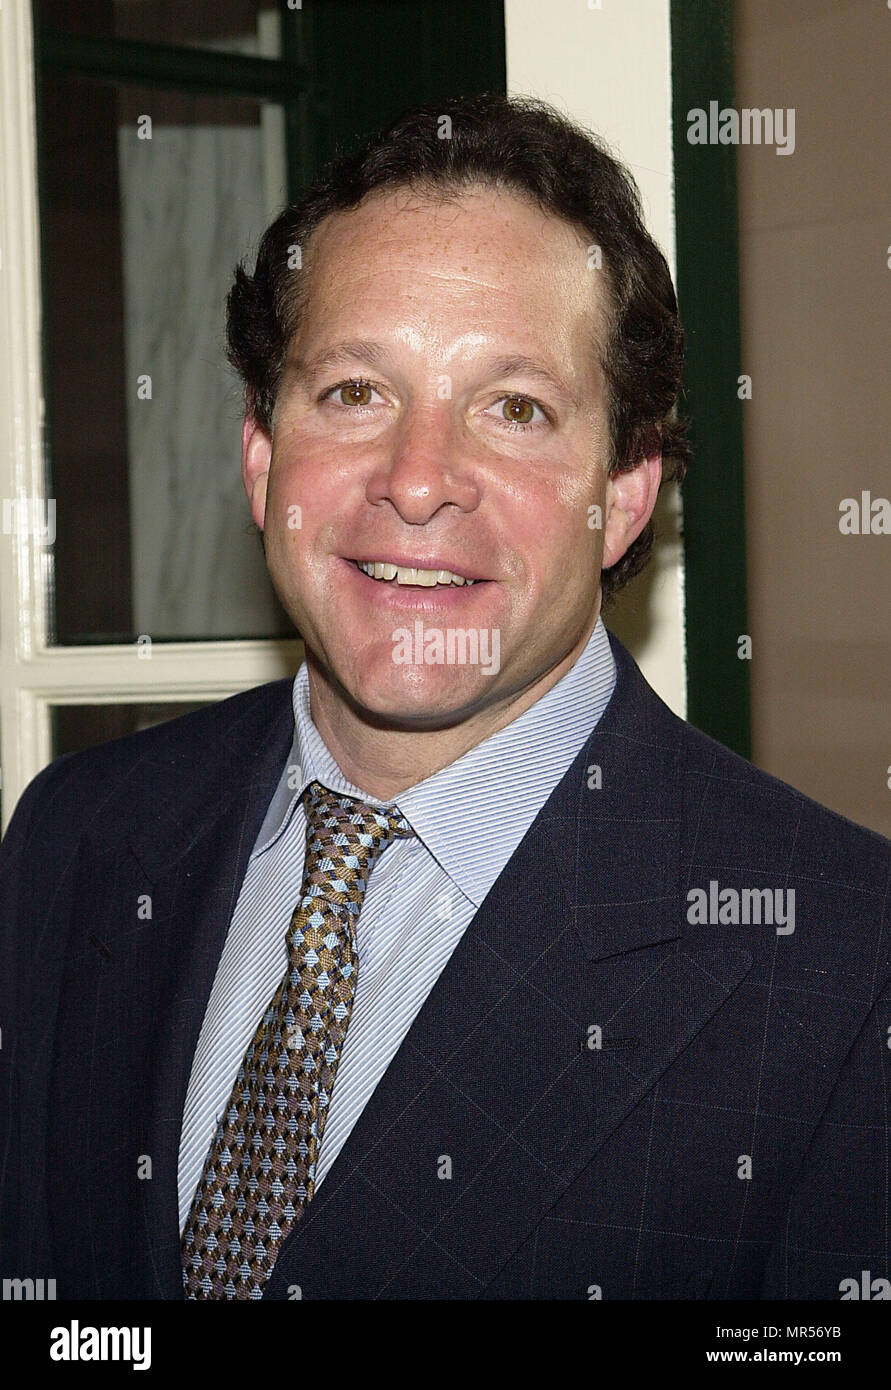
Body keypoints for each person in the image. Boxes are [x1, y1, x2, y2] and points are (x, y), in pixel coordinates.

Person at [1, 93, 888, 1302]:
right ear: (263, 458)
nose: (418, 482)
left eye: (515, 408)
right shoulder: (76, 838)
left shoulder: (841, 963)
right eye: (354, 392)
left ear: (625, 491)